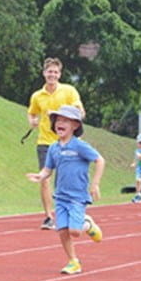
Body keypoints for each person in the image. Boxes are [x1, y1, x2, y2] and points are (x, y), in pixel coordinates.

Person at [26, 105, 105, 274]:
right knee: (62, 230)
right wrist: (40, 176)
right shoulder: (53, 148)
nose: (59, 124)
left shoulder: (80, 146)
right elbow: (48, 169)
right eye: (57, 120)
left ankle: (87, 224)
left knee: (75, 231)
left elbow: (100, 160)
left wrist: (95, 184)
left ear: (75, 125)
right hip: (60, 196)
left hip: (77, 196)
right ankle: (73, 261)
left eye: (65, 121)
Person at [26, 57, 85, 230]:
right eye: (49, 71)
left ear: (60, 74)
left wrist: (59, 113)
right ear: (44, 73)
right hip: (45, 142)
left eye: (55, 72)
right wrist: (32, 121)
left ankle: (69, 211)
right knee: (44, 178)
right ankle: (48, 216)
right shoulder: (38, 96)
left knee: (65, 181)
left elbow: (80, 112)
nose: (52, 75)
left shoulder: (69, 91)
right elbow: (31, 112)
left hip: (67, 142)